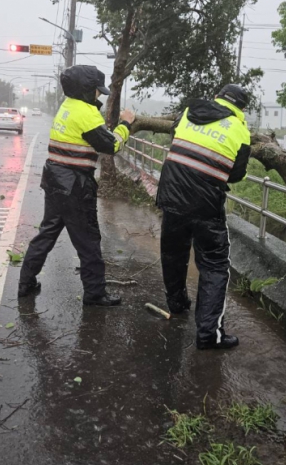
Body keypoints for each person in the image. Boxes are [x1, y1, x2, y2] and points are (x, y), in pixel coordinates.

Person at [18, 65, 135, 306]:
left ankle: (25, 283)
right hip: (75, 185)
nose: (99, 95)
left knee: (47, 232)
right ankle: (95, 294)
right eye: (96, 90)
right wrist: (126, 125)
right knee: (88, 240)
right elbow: (110, 146)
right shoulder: (86, 113)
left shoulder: (67, 106)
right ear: (86, 90)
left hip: (54, 179)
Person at [155, 84, 252, 349]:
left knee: (173, 252)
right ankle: (209, 335)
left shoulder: (188, 112)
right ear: (242, 108)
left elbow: (176, 138)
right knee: (214, 265)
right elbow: (236, 175)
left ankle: (176, 303)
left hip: (171, 193)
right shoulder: (240, 130)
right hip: (205, 203)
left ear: (218, 97)